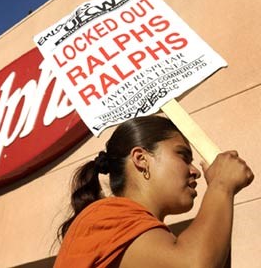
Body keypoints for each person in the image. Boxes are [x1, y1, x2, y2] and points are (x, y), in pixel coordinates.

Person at [54, 115, 254, 268]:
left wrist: (222, 192)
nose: (195, 171)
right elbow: (193, 264)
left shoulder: (145, 233)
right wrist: (221, 185)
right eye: (183, 156)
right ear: (141, 159)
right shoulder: (104, 216)